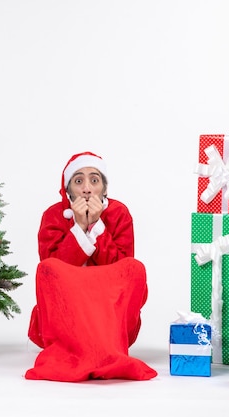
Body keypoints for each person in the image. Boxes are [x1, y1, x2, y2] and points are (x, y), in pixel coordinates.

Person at [25, 151, 155, 382]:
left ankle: (105, 345)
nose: (86, 189)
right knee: (47, 269)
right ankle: (73, 347)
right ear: (68, 190)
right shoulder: (53, 215)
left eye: (94, 180)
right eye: (78, 181)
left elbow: (121, 270)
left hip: (108, 307)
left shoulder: (119, 213)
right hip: (67, 311)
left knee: (135, 268)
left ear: (104, 189)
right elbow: (53, 272)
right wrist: (78, 230)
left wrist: (95, 226)